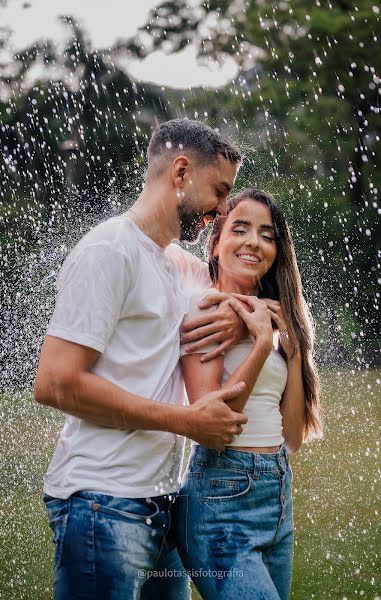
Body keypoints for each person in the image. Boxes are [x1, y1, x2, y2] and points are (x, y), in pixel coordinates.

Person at [34, 118, 248, 600]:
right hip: (102, 505)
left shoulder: (175, 262)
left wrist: (242, 318)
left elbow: (242, 288)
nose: (220, 211)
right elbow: (55, 383)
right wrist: (185, 421)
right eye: (219, 192)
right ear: (180, 172)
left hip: (161, 506)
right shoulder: (110, 250)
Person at [175, 187, 323, 600]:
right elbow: (212, 427)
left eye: (267, 234)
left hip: (276, 494)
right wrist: (260, 345)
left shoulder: (276, 314)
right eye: (240, 229)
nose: (254, 242)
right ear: (217, 241)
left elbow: (292, 436)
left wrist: (290, 351)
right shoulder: (204, 310)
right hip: (221, 500)